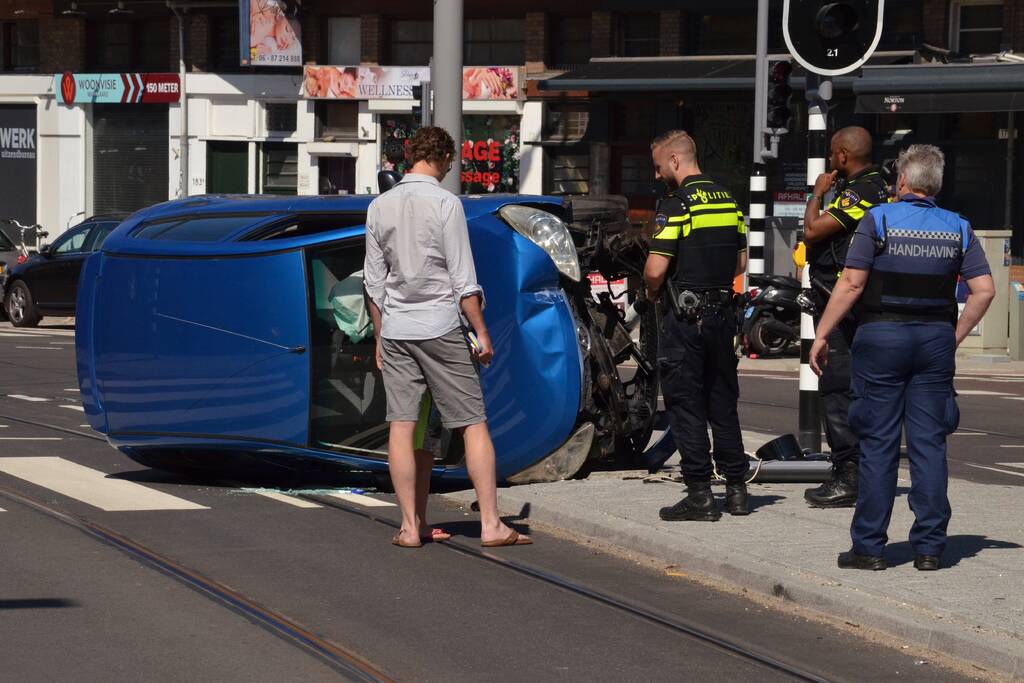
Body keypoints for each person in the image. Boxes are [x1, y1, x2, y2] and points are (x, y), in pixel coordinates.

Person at [810, 144, 995, 571]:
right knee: (930, 444)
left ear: (903, 182)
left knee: (878, 444)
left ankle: (869, 548)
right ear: (936, 185)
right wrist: (953, 336)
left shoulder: (878, 219)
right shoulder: (960, 228)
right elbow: (984, 290)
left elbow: (853, 283)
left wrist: (822, 334)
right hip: (933, 341)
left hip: (881, 338)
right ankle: (930, 548)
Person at [363, 126, 530, 549]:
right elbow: (463, 281)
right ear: (441, 159)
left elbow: (373, 285)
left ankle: (409, 527)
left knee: (402, 426)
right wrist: (482, 332)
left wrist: (380, 338)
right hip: (440, 326)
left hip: (397, 330)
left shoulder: (379, 207)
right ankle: (492, 524)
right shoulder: (445, 204)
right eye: (451, 162)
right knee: (473, 424)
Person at [643, 130, 750, 521]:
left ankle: (700, 495)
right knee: (723, 403)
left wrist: (652, 292)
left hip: (686, 320)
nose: (657, 176)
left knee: (686, 405)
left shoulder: (677, 205)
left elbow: (655, 270)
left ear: (674, 161)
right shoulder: (730, 200)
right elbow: (739, 264)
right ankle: (737, 491)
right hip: (724, 316)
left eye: (658, 167)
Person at [802, 126, 891, 508]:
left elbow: (813, 230)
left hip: (844, 304)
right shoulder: (879, 185)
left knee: (836, 386)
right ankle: (860, 472)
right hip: (860, 302)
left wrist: (818, 193)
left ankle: (848, 475)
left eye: (831, 154)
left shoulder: (862, 189)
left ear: (841, 156)